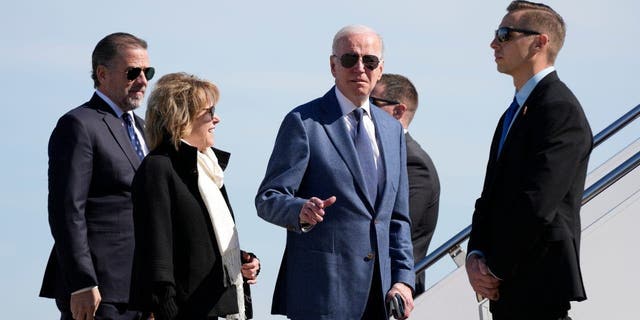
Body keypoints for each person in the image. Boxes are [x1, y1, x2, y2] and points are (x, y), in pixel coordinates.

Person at [255, 25, 415, 320]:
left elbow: (398, 217)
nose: (360, 68)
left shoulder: (392, 130)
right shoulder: (304, 122)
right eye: (349, 59)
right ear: (332, 66)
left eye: (369, 61)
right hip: (322, 295)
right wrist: (300, 210)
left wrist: (403, 280)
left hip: (379, 300)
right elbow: (268, 198)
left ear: (380, 69)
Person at [466, 1, 592, 320]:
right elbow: (489, 197)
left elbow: (537, 204)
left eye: (505, 34)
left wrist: (494, 269)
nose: (494, 43)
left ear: (539, 42)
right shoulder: (513, 113)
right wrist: (475, 256)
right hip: (511, 291)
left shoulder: (560, 109)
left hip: (539, 289)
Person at [128, 72, 260, 320]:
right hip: (179, 312)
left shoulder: (207, 167)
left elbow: (202, 244)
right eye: (209, 112)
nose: (217, 119)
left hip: (212, 307)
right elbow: (156, 251)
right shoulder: (158, 167)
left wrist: (243, 263)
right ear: (182, 117)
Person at [40, 32, 154, 320]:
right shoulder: (79, 125)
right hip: (99, 292)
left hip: (143, 291)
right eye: (132, 72)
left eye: (147, 72)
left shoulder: (146, 130)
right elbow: (67, 210)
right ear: (102, 74)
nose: (142, 81)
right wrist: (82, 281)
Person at [371, 73, 440, 296]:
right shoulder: (379, 155)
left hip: (392, 292)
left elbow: (397, 229)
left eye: (373, 103)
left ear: (398, 111)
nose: (363, 109)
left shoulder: (413, 163)